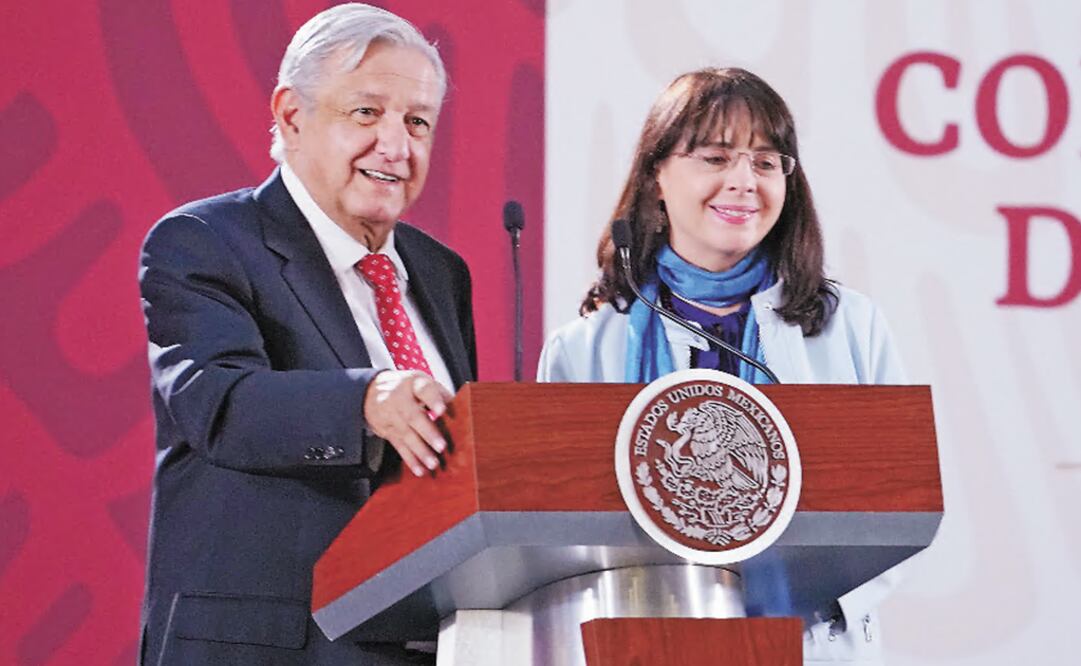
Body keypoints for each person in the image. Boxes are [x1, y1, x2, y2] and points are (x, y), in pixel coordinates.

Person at [137, 4, 474, 664]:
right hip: (267, 646)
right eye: (367, 113)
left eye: (417, 122)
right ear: (292, 116)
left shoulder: (441, 273)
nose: (397, 146)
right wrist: (366, 402)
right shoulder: (205, 242)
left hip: (417, 645)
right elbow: (220, 403)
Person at [538, 67, 905, 664]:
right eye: (715, 157)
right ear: (656, 175)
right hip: (640, 643)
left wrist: (814, 596)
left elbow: (900, 504)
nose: (743, 182)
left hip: (806, 642)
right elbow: (554, 528)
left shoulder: (850, 326)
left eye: (765, 163)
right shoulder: (585, 347)